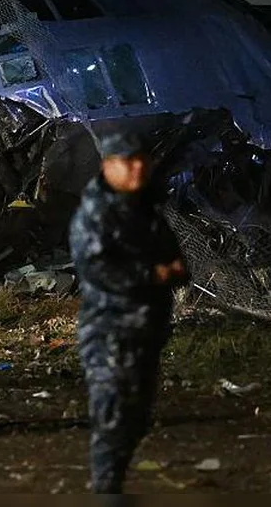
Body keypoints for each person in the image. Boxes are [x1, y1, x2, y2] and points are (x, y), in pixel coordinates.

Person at [68, 131, 189, 494]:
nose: (137, 169)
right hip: (110, 330)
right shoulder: (97, 214)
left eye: (142, 161)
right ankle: (106, 489)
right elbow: (98, 270)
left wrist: (171, 269)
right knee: (114, 416)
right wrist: (153, 274)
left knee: (135, 416)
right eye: (127, 162)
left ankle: (112, 484)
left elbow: (172, 254)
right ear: (108, 166)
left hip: (145, 328)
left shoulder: (143, 208)